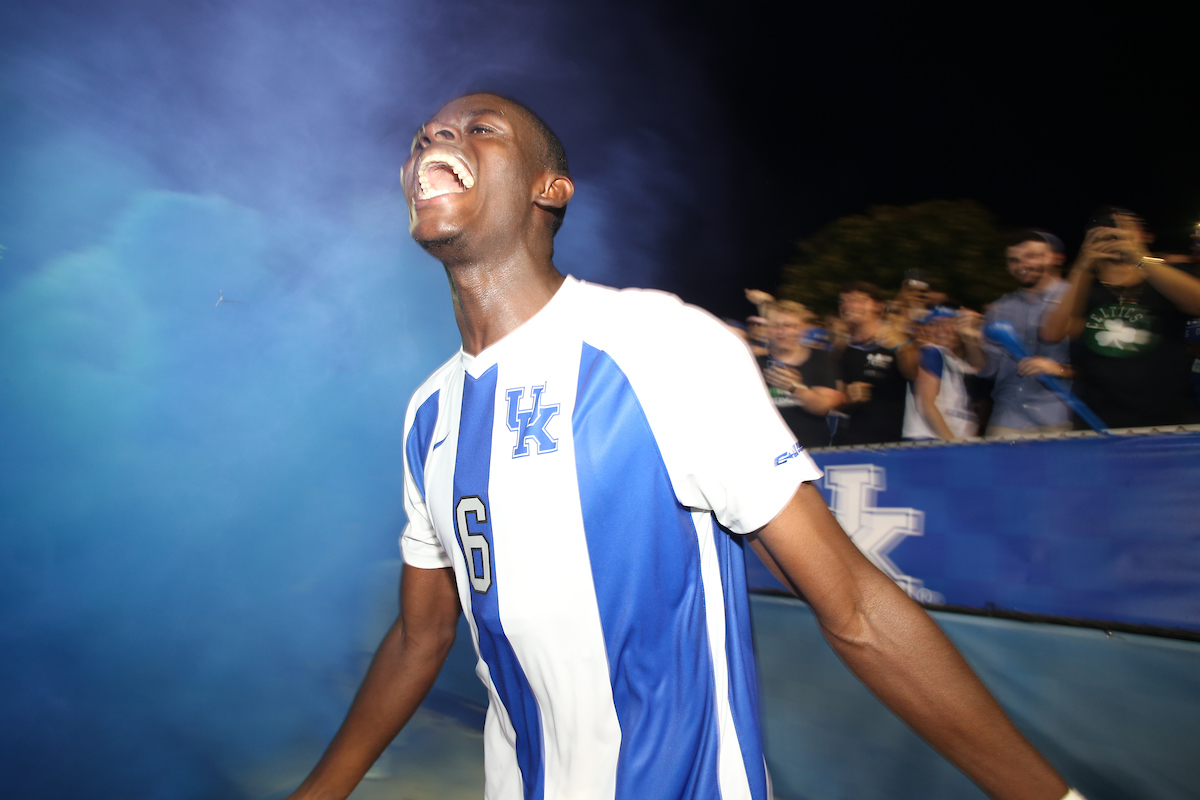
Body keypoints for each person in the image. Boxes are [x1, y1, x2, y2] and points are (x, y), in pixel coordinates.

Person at [285, 92, 1081, 800]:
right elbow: (421, 636)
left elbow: (857, 606)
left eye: (476, 128)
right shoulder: (429, 414)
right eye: (424, 135)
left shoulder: (656, 343)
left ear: (549, 189)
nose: (434, 142)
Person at [1041, 209, 1200, 428]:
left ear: (1145, 236)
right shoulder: (1085, 287)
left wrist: (1139, 258)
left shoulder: (1169, 274)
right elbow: (1053, 332)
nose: (1114, 240)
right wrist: (1083, 265)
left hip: (1170, 417)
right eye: (1104, 236)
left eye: (1123, 232)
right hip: (1099, 419)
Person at [972, 231, 1074, 437]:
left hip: (1061, 418)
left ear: (1052, 257)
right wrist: (970, 341)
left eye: (1032, 256)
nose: (1022, 265)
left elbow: (1097, 364)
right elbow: (989, 369)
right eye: (1014, 260)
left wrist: (1060, 369)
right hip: (1008, 419)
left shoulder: (1075, 300)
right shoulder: (999, 309)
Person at [831, 281, 917, 446]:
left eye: (856, 300)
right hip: (850, 440)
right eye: (843, 301)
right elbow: (836, 398)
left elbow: (914, 375)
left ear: (878, 306)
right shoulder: (842, 347)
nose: (848, 305)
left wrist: (903, 349)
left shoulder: (898, 339)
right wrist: (849, 397)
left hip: (892, 440)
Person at [757, 299, 844, 448]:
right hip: (767, 449)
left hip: (810, 449)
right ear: (767, 328)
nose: (781, 332)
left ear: (802, 328)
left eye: (788, 325)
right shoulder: (755, 361)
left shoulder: (819, 358)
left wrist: (795, 388)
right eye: (775, 326)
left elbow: (825, 407)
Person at [904, 305, 982, 441]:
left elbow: (982, 368)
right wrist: (952, 443)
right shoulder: (931, 351)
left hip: (951, 442)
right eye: (933, 324)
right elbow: (926, 404)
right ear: (925, 330)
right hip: (933, 441)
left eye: (948, 323)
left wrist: (970, 337)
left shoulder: (955, 361)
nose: (941, 328)